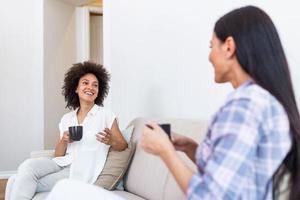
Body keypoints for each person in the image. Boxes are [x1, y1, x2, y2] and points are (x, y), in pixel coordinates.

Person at [140, 6, 300, 200]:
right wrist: (190, 147)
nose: (209, 57)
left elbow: (211, 195)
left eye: (211, 46)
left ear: (229, 47)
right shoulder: (264, 100)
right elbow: (234, 175)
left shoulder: (245, 105)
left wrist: (165, 152)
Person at [7, 61, 127, 200]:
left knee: (17, 181)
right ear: (75, 88)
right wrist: (64, 141)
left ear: (99, 91)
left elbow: (123, 145)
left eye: (95, 85)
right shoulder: (67, 118)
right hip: (61, 163)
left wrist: (111, 141)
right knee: (27, 166)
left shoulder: (106, 115)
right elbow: (58, 155)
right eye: (85, 83)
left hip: (79, 171)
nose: (91, 87)